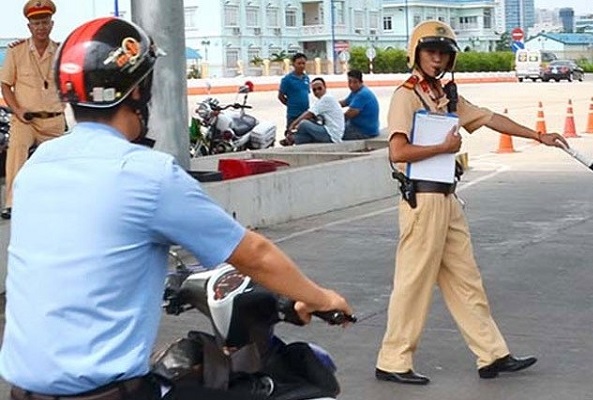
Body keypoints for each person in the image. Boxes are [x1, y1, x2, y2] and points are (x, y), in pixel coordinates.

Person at [0, 17, 353, 400]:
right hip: (111, 393)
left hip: (23, 390)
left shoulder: (37, 165)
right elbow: (254, 255)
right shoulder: (146, 174)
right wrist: (320, 298)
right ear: (139, 91)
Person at [375, 20, 568, 385]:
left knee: (467, 280)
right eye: (431, 51)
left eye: (444, 53)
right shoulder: (407, 96)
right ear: (416, 53)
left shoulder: (445, 96)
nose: (438, 58)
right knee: (413, 282)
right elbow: (397, 151)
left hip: (447, 199)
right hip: (422, 200)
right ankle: (393, 360)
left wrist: (539, 135)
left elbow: (490, 118)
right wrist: (443, 148)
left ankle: (492, 355)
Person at [0, 0, 66, 220]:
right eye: (36, 23)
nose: (41, 27)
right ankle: (12, 202)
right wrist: (16, 110)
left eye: (45, 22)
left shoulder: (60, 52)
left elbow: (69, 81)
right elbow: (5, 85)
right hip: (25, 119)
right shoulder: (16, 52)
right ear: (29, 26)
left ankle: (58, 201)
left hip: (53, 119)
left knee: (60, 160)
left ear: (51, 24)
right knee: (16, 150)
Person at [286, 77, 344, 145]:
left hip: (331, 134)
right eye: (314, 90)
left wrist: (293, 125)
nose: (317, 91)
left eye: (319, 88)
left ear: (325, 87)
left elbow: (309, 114)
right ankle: (292, 139)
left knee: (303, 123)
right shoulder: (321, 100)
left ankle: (292, 138)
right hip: (329, 132)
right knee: (306, 135)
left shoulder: (327, 98)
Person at [277, 52, 310, 146]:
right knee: (291, 135)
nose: (301, 66)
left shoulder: (306, 78)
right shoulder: (287, 80)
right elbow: (281, 96)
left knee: (303, 137)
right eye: (299, 63)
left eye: (303, 63)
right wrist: (290, 104)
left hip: (305, 113)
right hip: (293, 114)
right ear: (293, 64)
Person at [339, 69, 380, 140]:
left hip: (363, 131)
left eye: (355, 82)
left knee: (331, 133)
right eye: (349, 82)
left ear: (361, 82)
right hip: (357, 127)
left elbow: (348, 114)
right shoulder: (355, 92)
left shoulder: (362, 94)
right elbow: (344, 102)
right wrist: (330, 104)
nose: (351, 85)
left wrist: (333, 120)